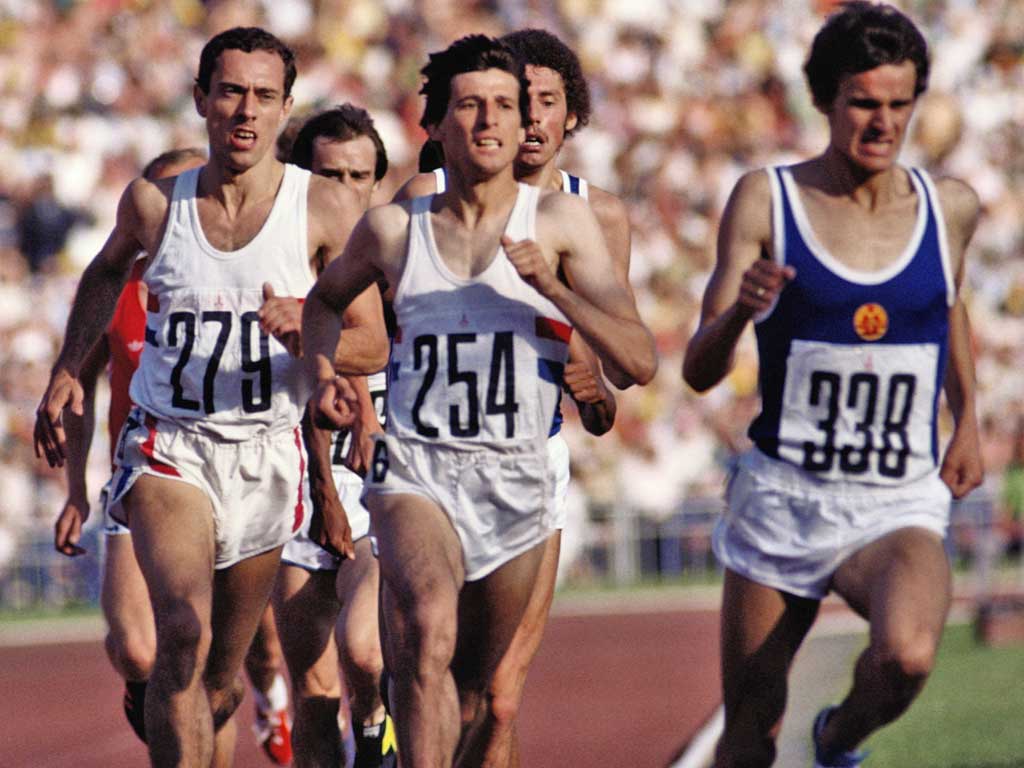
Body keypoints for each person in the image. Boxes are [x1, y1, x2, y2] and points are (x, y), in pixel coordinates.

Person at [35, 26, 387, 768]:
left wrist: (306, 334)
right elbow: (104, 275)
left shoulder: (321, 210)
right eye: (230, 92)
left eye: (263, 96)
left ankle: (200, 710)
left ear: (284, 106)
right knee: (182, 637)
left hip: (268, 456)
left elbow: (374, 344)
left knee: (221, 682)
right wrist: (70, 365)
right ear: (201, 99)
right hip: (172, 445)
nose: (245, 111)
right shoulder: (156, 204)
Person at [303, 34, 655, 768]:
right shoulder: (399, 224)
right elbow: (326, 303)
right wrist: (323, 372)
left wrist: (554, 292)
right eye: (471, 105)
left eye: (509, 105)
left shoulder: (565, 224)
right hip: (418, 471)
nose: (495, 122)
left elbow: (638, 362)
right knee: (427, 633)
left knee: (480, 699)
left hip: (521, 474)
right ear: (437, 123)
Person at [682, 4, 983, 767]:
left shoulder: (948, 208)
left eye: (898, 104)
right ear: (825, 102)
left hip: (894, 499)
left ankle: (837, 741)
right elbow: (699, 369)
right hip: (785, 495)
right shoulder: (766, 199)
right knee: (749, 728)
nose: (883, 123)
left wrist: (969, 417)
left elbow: (950, 310)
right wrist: (740, 314)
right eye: (863, 104)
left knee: (907, 657)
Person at [394, 28, 625, 767]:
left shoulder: (596, 215)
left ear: (569, 118)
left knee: (498, 698)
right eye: (508, 102)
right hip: (424, 460)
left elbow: (612, 370)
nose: (524, 121)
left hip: (532, 462)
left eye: (542, 104)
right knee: (424, 654)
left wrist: (592, 389)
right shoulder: (423, 203)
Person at [53, 145, 295, 766]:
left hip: (246, 465)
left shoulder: (250, 266)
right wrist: (77, 490)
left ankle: (253, 697)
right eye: (159, 202)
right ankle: (162, 699)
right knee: (150, 647)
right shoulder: (122, 289)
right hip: (152, 468)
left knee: (226, 670)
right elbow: (82, 386)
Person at [274, 104, 396, 768]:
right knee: (315, 698)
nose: (345, 191)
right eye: (328, 175)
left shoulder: (401, 252)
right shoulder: (270, 247)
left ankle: (378, 724)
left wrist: (302, 325)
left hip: (376, 473)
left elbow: (373, 343)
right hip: (292, 472)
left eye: (360, 175)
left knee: (365, 652)